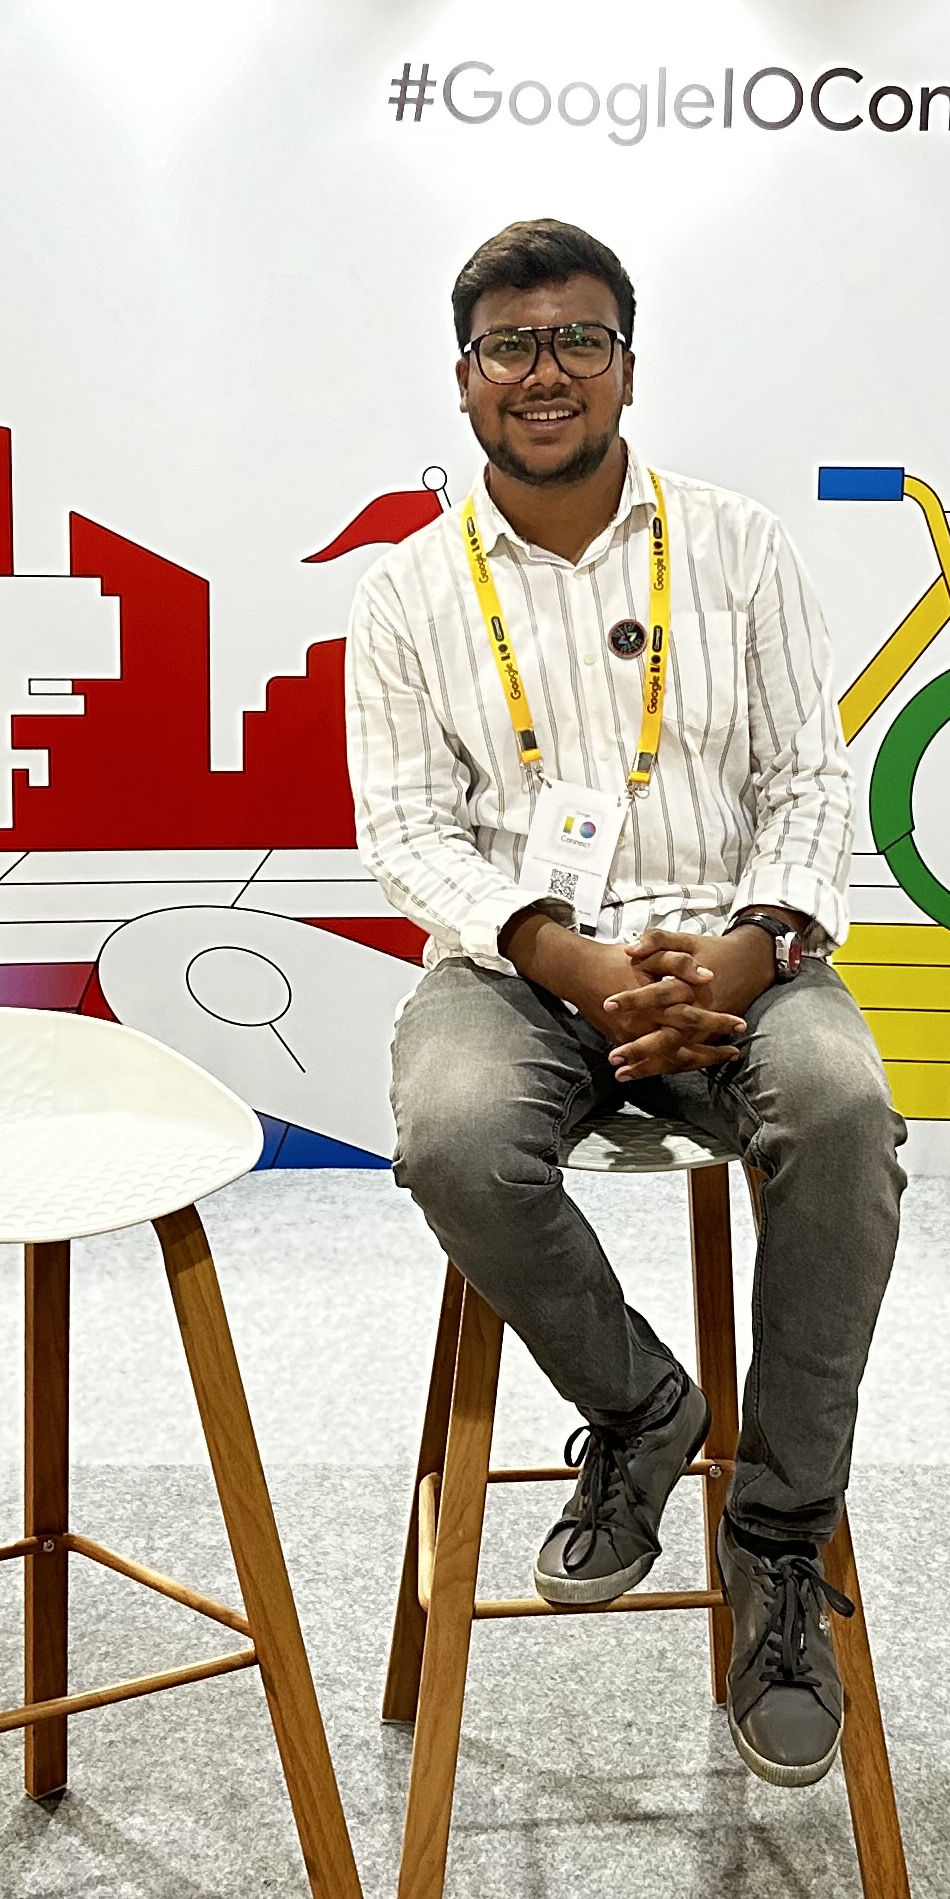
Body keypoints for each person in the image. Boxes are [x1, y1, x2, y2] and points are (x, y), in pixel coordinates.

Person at [347, 215, 905, 1790]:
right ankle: (645, 1407)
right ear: (464, 383)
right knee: (456, 1136)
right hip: (521, 970)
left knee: (847, 1113)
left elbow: (809, 776)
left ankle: (780, 1543)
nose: (545, 373)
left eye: (577, 341)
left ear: (628, 368)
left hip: (734, 950)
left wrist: (743, 951)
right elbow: (406, 828)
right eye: (511, 347)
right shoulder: (408, 593)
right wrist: (564, 960)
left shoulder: (737, 547)